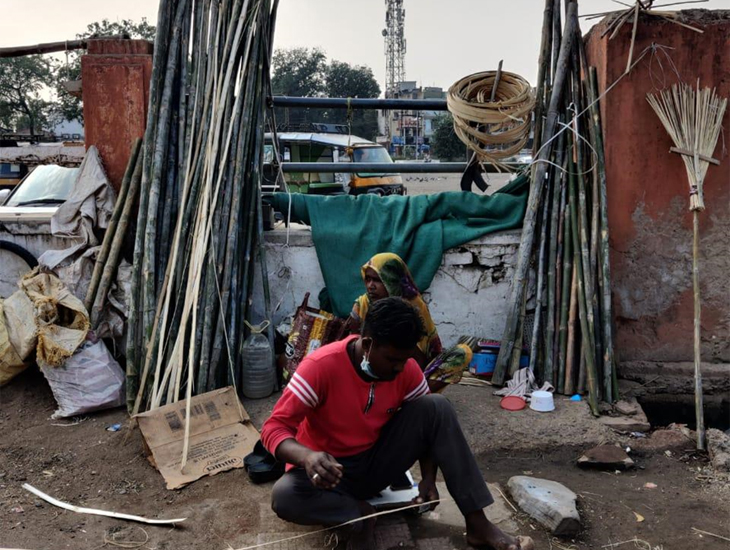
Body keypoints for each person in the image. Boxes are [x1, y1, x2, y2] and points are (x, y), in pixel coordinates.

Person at [262, 297, 534, 550]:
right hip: (327, 476)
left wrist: (428, 477)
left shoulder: (405, 368)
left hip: (377, 465)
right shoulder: (320, 367)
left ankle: (477, 524)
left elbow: (430, 424)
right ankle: (358, 514)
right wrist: (308, 457)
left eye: (405, 359)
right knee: (284, 496)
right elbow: (273, 428)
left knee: (437, 406)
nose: (399, 369)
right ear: (367, 345)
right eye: (392, 359)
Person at [350, 252, 472, 392]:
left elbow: (416, 358)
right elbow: (354, 345)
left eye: (377, 280)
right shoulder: (362, 304)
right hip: (372, 368)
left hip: (406, 369)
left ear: (392, 280)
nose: (370, 286)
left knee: (462, 353)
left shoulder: (412, 307)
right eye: (368, 279)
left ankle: (417, 394)